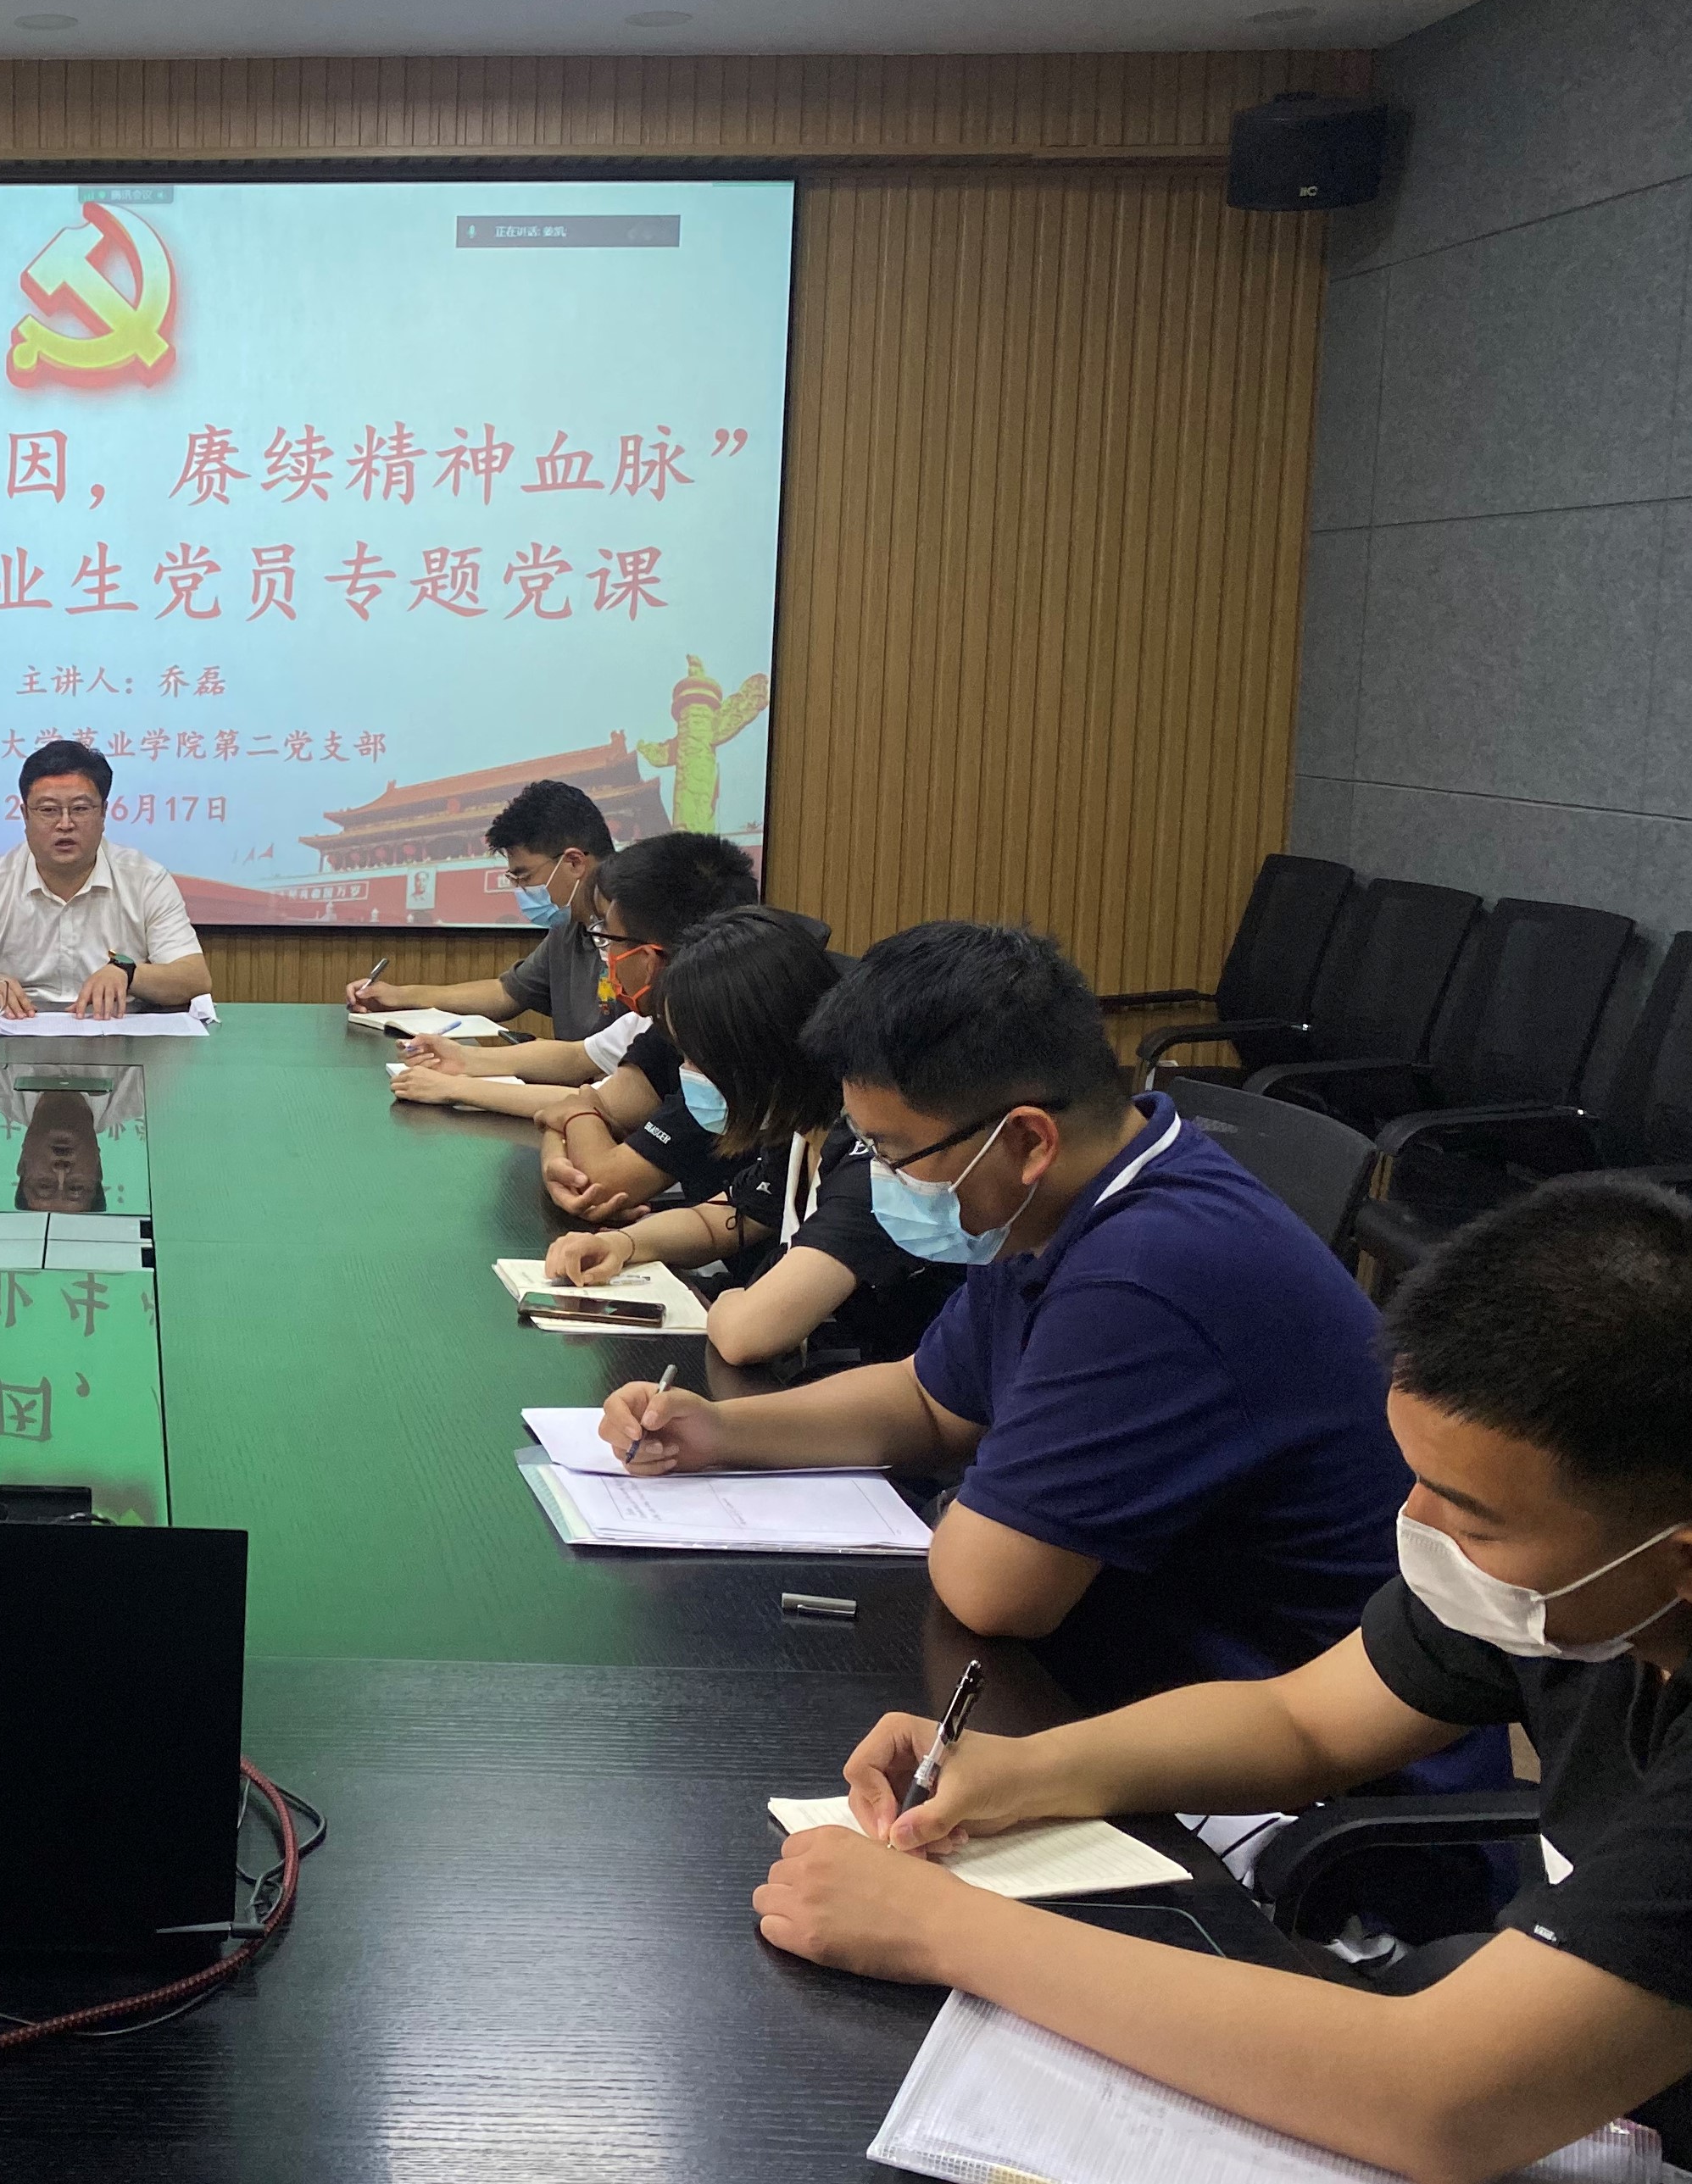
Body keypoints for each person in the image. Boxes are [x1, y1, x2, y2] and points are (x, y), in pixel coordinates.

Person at [755, 1176, 1692, 2181]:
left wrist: (933, 1925)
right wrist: (1024, 1769)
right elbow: (1305, 1721)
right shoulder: (1579, 1591)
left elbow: (1441, 2098)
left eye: (1470, 1515)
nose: (1417, 1526)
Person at [596, 920, 1411, 1703]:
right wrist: (721, 1432)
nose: (876, 1174)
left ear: (1026, 1140)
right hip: (1146, 1669)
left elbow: (992, 1588)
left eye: (891, 1151)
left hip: (1272, 1731)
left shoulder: (1148, 1269)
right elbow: (927, 1399)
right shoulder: (1049, 1209)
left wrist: (978, 1508)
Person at [536, 907, 957, 1370]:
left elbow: (746, 1334)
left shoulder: (872, 1163)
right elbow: (728, 1218)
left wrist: (732, 1298)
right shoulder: (799, 1129)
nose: (687, 1073)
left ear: (760, 1051)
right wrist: (623, 1245)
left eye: (696, 1058)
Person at [389, 830, 757, 1174]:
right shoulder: (660, 1020)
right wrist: (465, 1060)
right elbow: (580, 1065)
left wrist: (456, 1089)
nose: (605, 952)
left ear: (648, 956)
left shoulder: (722, 1039)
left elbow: (599, 1151)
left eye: (610, 936)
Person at [0, 741, 213, 1020]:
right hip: (18, 1038)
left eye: (80, 809)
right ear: (25, 815)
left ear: (103, 813)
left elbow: (194, 977)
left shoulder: (145, 880)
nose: (65, 824)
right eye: (49, 810)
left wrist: (128, 973)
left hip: (121, 1034)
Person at [343, 779, 618, 1044]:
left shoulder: (636, 928)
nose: (520, 889)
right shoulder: (569, 926)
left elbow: (606, 1057)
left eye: (524, 877)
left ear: (574, 863)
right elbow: (506, 993)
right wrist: (402, 997)